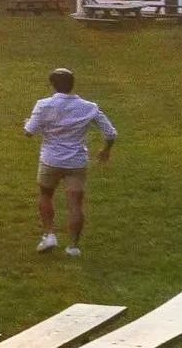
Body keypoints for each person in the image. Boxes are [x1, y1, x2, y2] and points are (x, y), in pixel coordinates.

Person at [26, 66, 116, 257]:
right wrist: (105, 150)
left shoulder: (43, 105)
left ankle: (49, 234)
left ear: (53, 85)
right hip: (76, 161)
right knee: (75, 203)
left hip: (50, 159)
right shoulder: (89, 107)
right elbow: (110, 132)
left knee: (45, 195)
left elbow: (29, 131)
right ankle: (73, 246)